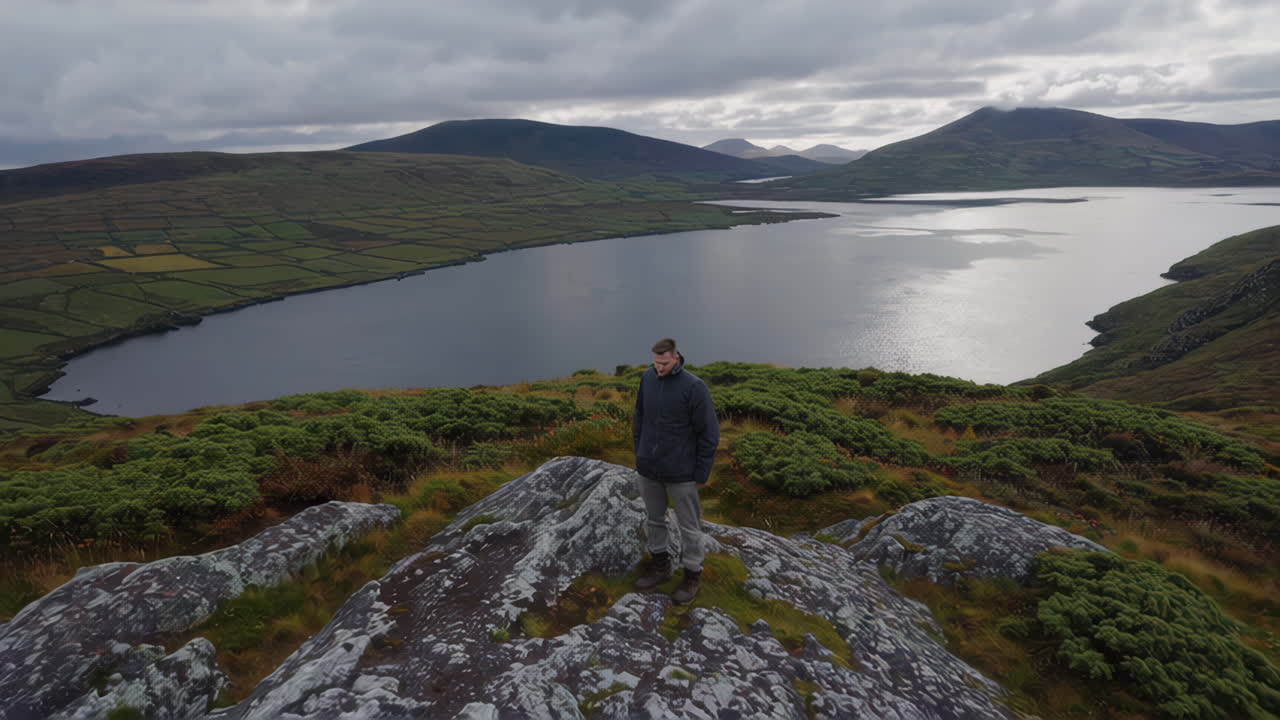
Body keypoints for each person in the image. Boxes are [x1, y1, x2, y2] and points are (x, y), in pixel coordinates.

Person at [632, 337, 720, 604]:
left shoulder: (694, 387)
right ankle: (661, 566)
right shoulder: (647, 378)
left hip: (681, 472)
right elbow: (640, 416)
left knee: (689, 527)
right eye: (656, 363)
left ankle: (692, 574)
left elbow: (709, 433)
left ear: (676, 357)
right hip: (649, 468)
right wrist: (641, 452)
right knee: (654, 519)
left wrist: (701, 473)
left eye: (664, 363)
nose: (659, 368)